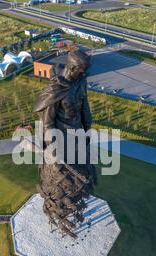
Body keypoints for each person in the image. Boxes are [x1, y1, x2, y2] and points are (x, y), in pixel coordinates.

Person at [33, 48, 97, 238]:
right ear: (72, 67)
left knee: (82, 172)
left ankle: (74, 204)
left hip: (77, 136)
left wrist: (87, 131)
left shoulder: (80, 82)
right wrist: (54, 152)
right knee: (61, 178)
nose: (84, 74)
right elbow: (47, 123)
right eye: (81, 70)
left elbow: (85, 108)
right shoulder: (55, 90)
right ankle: (58, 213)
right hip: (60, 140)